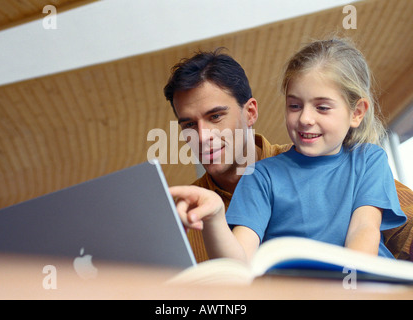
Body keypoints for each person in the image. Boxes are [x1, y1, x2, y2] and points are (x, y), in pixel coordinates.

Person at [164, 44, 413, 262]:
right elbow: (237, 268)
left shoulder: (368, 160)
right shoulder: (260, 175)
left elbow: (366, 231)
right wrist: (216, 215)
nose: (305, 118)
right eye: (294, 106)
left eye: (215, 116)